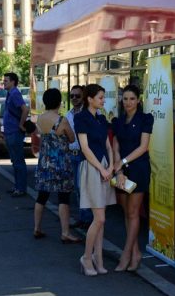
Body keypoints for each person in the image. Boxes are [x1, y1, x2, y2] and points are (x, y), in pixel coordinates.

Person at [74, 84, 116, 276]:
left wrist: (111, 166)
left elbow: (108, 145)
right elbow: (85, 148)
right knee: (99, 218)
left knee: (100, 220)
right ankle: (86, 257)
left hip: (103, 166)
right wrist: (102, 169)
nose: (103, 100)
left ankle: (98, 260)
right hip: (92, 168)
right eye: (100, 97)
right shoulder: (81, 118)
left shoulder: (101, 118)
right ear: (90, 99)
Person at [112, 84, 154, 272]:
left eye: (132, 99)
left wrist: (122, 162)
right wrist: (119, 170)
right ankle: (135, 253)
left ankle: (126, 254)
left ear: (138, 100)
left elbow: (143, 147)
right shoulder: (118, 121)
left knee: (133, 212)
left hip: (138, 169)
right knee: (126, 212)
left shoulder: (145, 119)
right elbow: (115, 147)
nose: (128, 102)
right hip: (122, 171)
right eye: (125, 99)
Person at [34, 88, 81, 243]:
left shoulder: (40, 118)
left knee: (42, 196)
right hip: (61, 163)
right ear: (59, 102)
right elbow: (72, 139)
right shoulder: (62, 120)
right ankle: (65, 232)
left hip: (44, 163)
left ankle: (37, 228)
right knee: (63, 198)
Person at [66, 85, 93, 229]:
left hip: (85, 155)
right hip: (73, 155)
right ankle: (83, 218)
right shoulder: (68, 115)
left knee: (84, 187)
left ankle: (89, 219)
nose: (74, 98)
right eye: (72, 96)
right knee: (77, 188)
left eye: (77, 96)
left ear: (84, 97)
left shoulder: (89, 112)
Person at [3, 72, 29, 197]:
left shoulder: (14, 93)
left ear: (13, 82)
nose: (3, 82)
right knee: (15, 161)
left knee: (18, 161)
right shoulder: (10, 93)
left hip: (14, 132)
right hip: (10, 131)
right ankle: (17, 186)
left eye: (6, 80)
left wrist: (21, 124)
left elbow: (25, 109)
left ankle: (21, 188)